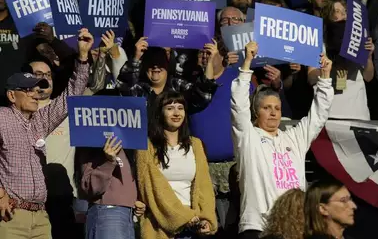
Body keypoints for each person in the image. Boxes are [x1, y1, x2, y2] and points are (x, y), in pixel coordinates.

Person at [0, 28, 93, 239]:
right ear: (11, 95)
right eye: (28, 90)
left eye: (37, 89)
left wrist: (82, 57)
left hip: (41, 218)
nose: (35, 94)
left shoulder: (39, 120)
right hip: (10, 216)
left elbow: (71, 95)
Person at [231, 41, 334, 238]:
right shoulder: (248, 137)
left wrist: (325, 77)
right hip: (259, 227)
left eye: (277, 108)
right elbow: (238, 107)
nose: (273, 113)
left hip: (294, 227)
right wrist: (246, 65)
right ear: (256, 112)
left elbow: (319, 115)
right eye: (266, 108)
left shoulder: (294, 137)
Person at [136, 90, 217, 239]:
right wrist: (183, 216)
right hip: (159, 225)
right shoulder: (147, 146)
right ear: (160, 113)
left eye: (180, 108)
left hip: (193, 224)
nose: (176, 113)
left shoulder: (196, 144)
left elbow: (204, 185)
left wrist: (207, 217)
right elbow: (152, 187)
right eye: (170, 108)